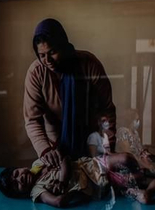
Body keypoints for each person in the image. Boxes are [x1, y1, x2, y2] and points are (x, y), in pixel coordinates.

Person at [23, 19, 115, 178]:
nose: (48, 61)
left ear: (63, 46)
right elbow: (32, 120)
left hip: (92, 144)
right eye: (42, 55)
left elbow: (106, 111)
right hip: (56, 149)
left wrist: (107, 148)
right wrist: (46, 151)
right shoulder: (36, 73)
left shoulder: (89, 64)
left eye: (52, 52)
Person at [0, 150, 155, 207]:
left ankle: (147, 172)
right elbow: (56, 201)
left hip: (92, 165)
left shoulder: (37, 163)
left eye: (16, 174)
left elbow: (62, 158)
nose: (20, 178)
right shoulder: (37, 191)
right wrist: (71, 192)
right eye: (17, 184)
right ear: (21, 193)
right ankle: (152, 181)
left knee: (126, 158)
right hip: (96, 184)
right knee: (137, 181)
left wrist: (62, 180)